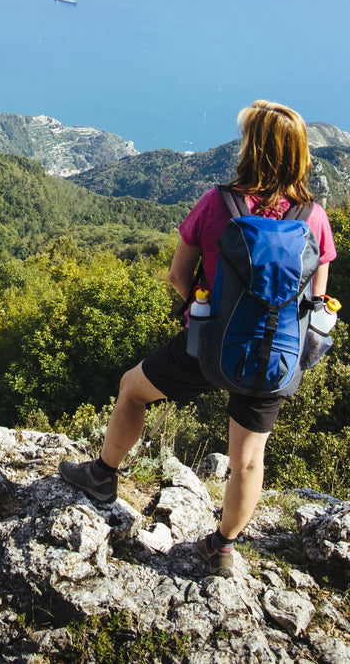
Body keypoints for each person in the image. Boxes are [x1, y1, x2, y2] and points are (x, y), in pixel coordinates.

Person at [59, 100, 337, 576]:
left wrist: (207, 315)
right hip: (272, 359)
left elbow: (177, 275)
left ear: (253, 148)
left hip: (207, 347)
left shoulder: (218, 203)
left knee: (132, 389)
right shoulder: (313, 218)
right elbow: (316, 300)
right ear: (299, 155)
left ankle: (103, 476)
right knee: (248, 459)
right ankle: (223, 547)